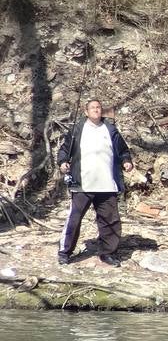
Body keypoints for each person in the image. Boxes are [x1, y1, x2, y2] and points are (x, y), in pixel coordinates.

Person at [56, 98, 134, 267]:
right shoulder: (77, 129)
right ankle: (65, 252)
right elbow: (64, 150)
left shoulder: (110, 129)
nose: (96, 110)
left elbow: (123, 150)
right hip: (82, 182)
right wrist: (63, 162)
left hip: (107, 183)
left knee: (110, 220)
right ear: (86, 112)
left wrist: (126, 161)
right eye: (92, 108)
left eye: (98, 107)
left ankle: (108, 253)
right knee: (74, 219)